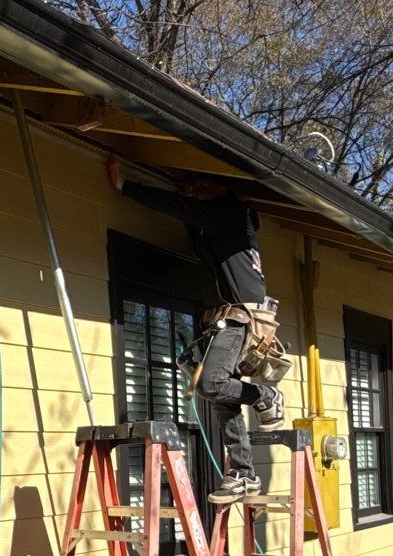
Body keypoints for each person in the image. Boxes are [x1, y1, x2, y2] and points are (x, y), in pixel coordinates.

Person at [106, 157, 290, 498]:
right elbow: (191, 216)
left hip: (239, 319)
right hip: (227, 320)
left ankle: (267, 395)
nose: (194, 188)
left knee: (211, 383)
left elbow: (176, 206)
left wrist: (126, 185)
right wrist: (189, 191)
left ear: (225, 188)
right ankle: (244, 473)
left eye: (203, 184)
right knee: (223, 400)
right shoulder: (223, 225)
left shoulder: (229, 214)